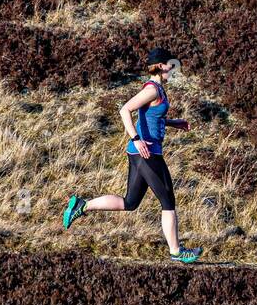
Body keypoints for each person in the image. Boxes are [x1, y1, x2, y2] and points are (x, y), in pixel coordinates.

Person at [61, 48, 202, 263]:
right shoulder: (152, 89)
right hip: (146, 152)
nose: (172, 70)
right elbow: (125, 110)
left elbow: (151, 116)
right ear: (161, 66)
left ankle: (82, 205)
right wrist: (137, 138)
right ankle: (176, 251)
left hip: (142, 152)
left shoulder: (158, 90)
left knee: (130, 202)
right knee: (168, 200)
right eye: (170, 66)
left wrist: (174, 123)